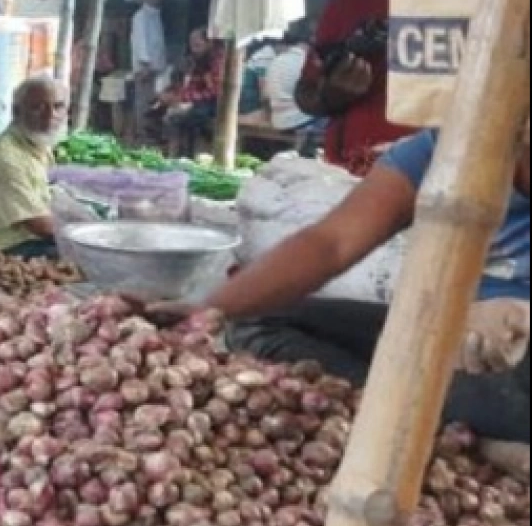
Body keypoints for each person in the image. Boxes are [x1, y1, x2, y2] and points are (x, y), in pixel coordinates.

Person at [180, 125, 530, 462]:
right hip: (450, 345)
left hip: (515, 363)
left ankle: (451, 429)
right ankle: (462, 435)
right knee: (259, 323)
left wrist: (521, 314)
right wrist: (204, 313)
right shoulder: (443, 150)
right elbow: (330, 244)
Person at [296, 0, 414, 175]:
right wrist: (330, 95)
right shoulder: (352, 5)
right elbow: (305, 93)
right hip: (355, 172)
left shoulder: (478, 3)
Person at [0, 76, 69, 259]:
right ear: (17, 112)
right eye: (38, 107)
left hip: (30, 238)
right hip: (4, 249)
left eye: (58, 106)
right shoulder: (4, 159)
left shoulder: (36, 146)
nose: (50, 115)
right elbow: (40, 225)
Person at [163, 29, 225, 158]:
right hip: (199, 102)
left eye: (198, 46)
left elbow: (215, 91)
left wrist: (185, 98)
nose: (194, 50)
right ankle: (177, 154)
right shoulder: (195, 60)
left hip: (216, 103)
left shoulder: (217, 61)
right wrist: (177, 96)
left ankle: (184, 155)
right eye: (192, 46)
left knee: (180, 117)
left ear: (209, 44)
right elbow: (190, 85)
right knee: (167, 113)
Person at [130, 0, 169, 146]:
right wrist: (145, 64)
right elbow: (141, 42)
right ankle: (142, 136)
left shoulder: (156, 15)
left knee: (154, 102)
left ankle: (152, 135)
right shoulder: (140, 16)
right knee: (144, 102)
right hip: (146, 67)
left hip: (157, 67)